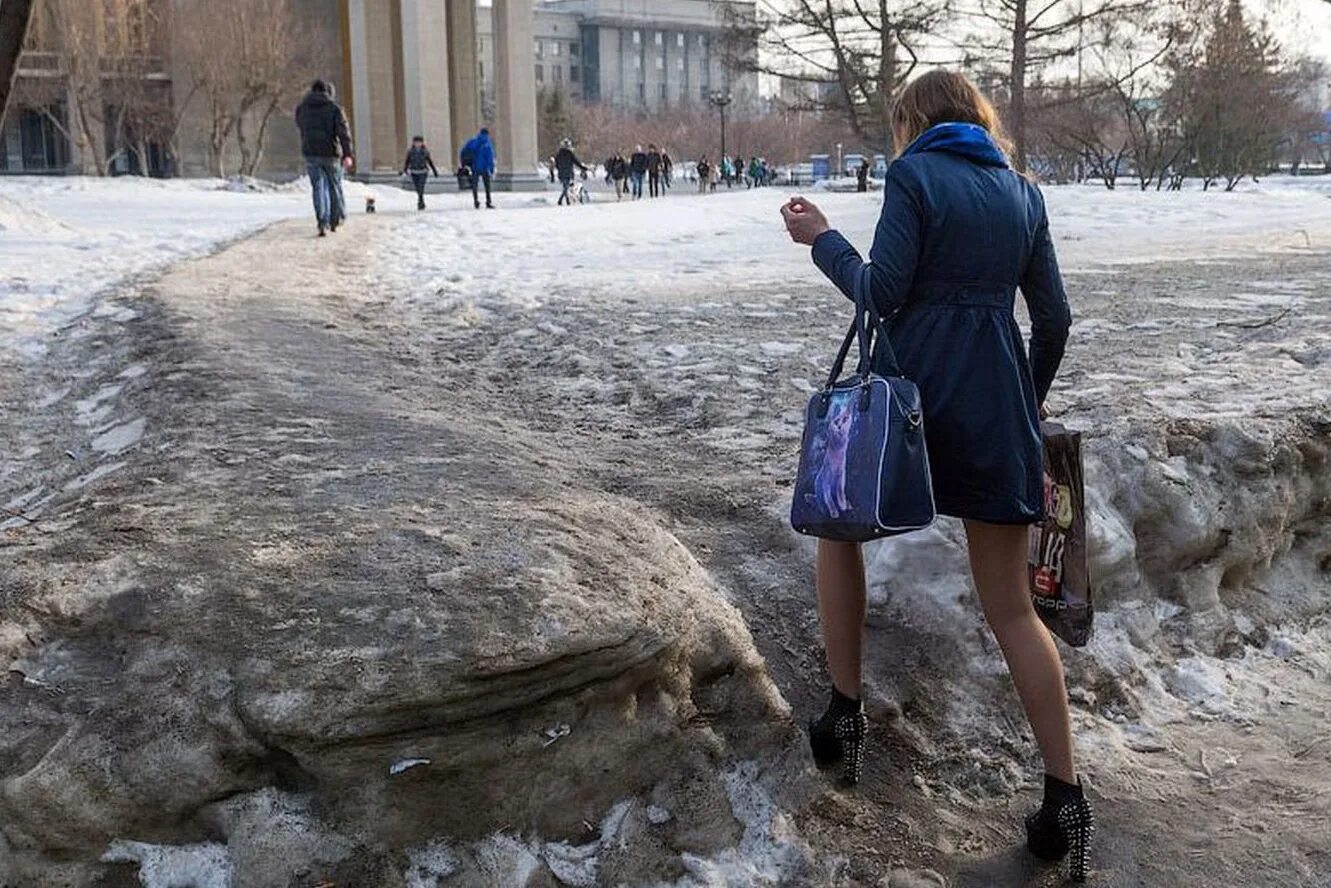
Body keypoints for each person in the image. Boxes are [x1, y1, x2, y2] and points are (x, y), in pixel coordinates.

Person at [780, 70, 1087, 881]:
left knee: (835, 524)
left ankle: (842, 716)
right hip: (993, 412)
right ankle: (1064, 799)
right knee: (1012, 610)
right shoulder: (1022, 193)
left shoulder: (914, 172)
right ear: (979, 119)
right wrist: (1022, 400)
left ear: (913, 121)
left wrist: (823, 241)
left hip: (904, 410)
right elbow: (1052, 319)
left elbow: (880, 294)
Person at [294, 79, 354, 237]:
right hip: (331, 153)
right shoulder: (334, 109)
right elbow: (343, 133)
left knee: (318, 188)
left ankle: (322, 222)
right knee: (334, 186)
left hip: (310, 152)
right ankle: (335, 219)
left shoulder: (302, 108)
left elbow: (300, 126)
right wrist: (347, 154)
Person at [400, 135, 439, 210]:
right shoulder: (410, 151)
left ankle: (420, 202)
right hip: (414, 172)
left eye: (419, 142)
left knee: (421, 187)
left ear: (422, 143)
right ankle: (420, 199)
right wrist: (405, 170)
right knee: (417, 187)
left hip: (423, 171)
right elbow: (407, 161)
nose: (418, 144)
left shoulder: (425, 151)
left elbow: (430, 161)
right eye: (416, 142)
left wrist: (434, 171)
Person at [460, 127, 496, 209]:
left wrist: (464, 163)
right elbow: (490, 158)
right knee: (487, 185)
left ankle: (476, 201)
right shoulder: (487, 144)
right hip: (484, 168)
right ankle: (488, 201)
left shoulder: (473, 141)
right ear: (487, 134)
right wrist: (491, 169)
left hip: (474, 167)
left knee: (474, 185)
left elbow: (463, 151)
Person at [553, 139, 590, 206]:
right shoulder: (569, 154)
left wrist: (559, 169)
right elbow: (576, 162)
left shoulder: (559, 154)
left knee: (565, 186)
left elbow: (556, 164)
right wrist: (582, 167)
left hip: (561, 172)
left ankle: (566, 201)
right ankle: (561, 200)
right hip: (568, 172)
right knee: (566, 187)